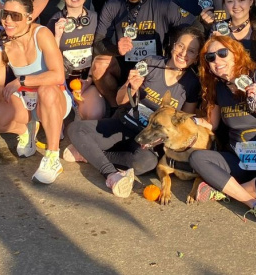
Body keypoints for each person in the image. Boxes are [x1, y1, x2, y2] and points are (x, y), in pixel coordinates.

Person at [66, 25, 203, 197]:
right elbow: (120, 100)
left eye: (191, 51)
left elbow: (182, 123)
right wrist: (130, 87)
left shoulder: (192, 83)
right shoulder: (151, 63)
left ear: (197, 57)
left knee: (144, 163)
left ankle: (89, 152)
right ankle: (111, 174)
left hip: (149, 140)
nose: (183, 54)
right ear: (174, 45)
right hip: (124, 124)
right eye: (181, 46)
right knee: (75, 129)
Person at [190, 35, 256, 227]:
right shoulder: (216, 87)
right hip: (238, 159)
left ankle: (224, 191)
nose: (217, 61)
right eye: (210, 58)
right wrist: (184, 120)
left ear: (236, 53)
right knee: (197, 158)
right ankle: (254, 204)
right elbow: (211, 124)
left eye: (222, 53)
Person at [0, 0, 72, 184]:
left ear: (29, 17)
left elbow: (58, 75)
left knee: (47, 91)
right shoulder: (0, 48)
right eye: (4, 14)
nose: (8, 21)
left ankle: (52, 157)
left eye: (15, 16)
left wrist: (21, 80)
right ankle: (26, 131)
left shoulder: (41, 34)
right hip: (25, 101)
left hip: (53, 99)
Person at [91, 0, 197, 106]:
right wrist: (116, 49)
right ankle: (117, 107)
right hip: (125, 65)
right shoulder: (112, 4)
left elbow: (194, 24)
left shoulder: (163, 4)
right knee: (98, 64)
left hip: (156, 68)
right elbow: (97, 43)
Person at [47, 0, 104, 120]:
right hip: (63, 80)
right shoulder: (54, 20)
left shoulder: (96, 19)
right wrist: (57, 36)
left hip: (87, 79)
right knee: (60, 118)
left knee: (94, 114)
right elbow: (47, 58)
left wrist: (90, 79)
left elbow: (101, 53)